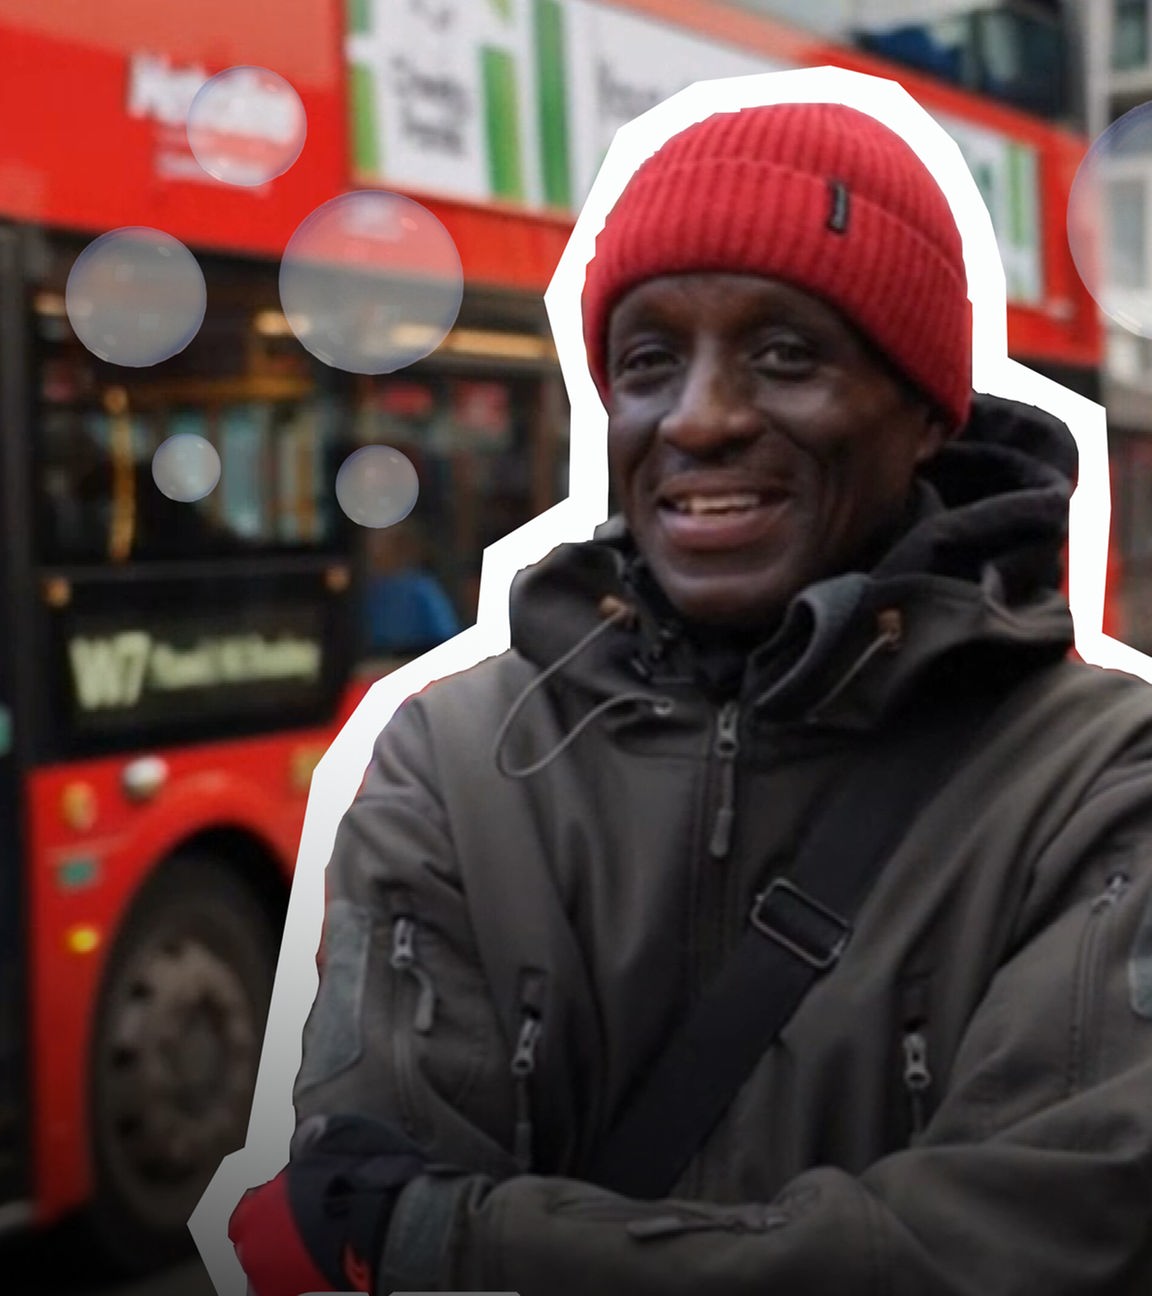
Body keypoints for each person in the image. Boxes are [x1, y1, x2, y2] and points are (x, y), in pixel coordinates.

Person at [228, 101, 1152, 1295]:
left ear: (928, 412)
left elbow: (1043, 1248)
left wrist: (451, 1234)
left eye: (786, 355)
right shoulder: (447, 759)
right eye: (648, 361)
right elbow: (368, 1177)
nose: (702, 419)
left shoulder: (1102, 780)